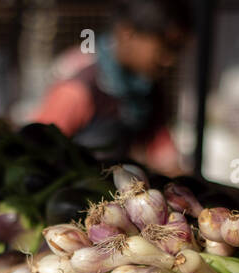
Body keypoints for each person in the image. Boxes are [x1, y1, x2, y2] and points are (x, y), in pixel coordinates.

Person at [33, 0, 190, 170]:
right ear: (128, 33)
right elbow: (37, 152)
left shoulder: (146, 88)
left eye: (177, 50)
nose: (170, 61)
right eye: (165, 47)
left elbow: (162, 151)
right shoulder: (80, 86)